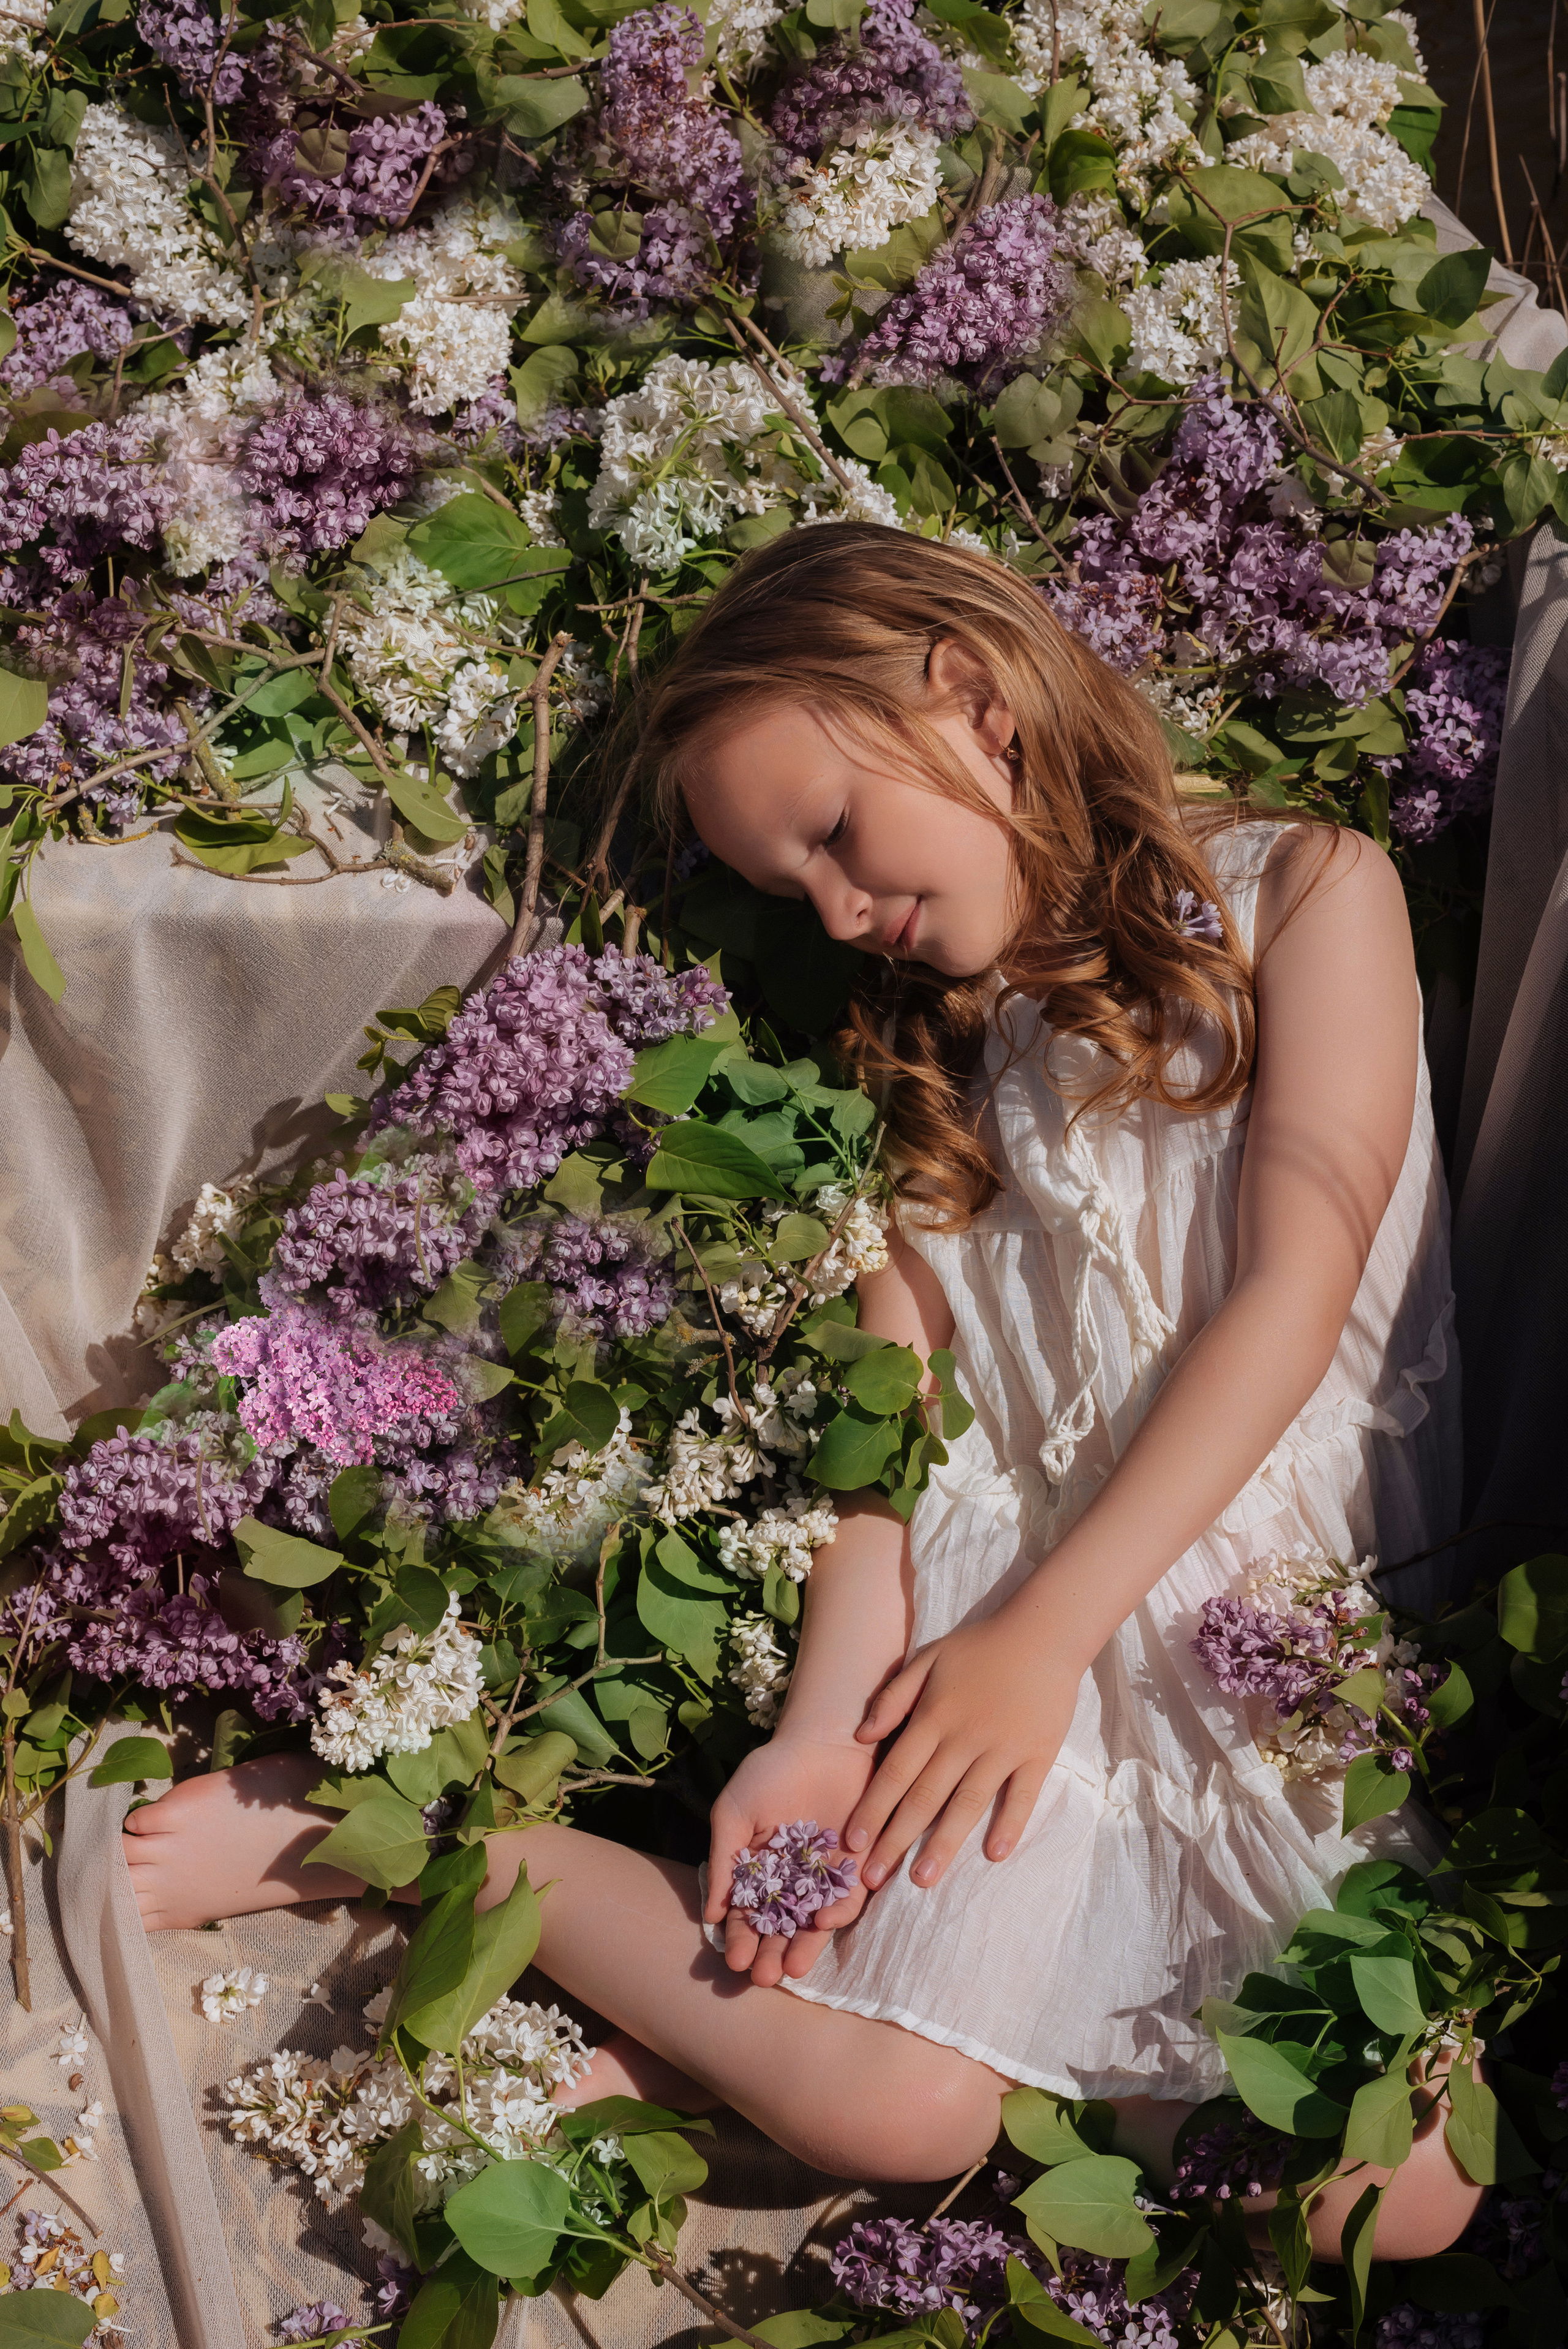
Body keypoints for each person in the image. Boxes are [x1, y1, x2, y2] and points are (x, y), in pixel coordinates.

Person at [125, 524, 1480, 2256]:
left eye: (838, 835)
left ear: (974, 699)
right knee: (902, 2114)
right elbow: (890, 1460)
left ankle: (721, 2037)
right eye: (798, 893)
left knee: (1405, 2192)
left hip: (1221, 1638)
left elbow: (1299, 1289)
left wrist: (1046, 1637)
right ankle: (415, 1834)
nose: (843, 917)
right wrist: (816, 1736)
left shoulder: (1306, 887)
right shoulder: (933, 1079)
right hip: (1005, 1654)